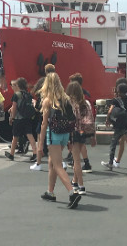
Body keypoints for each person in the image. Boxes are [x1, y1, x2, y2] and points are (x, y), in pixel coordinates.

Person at [37, 73, 82, 209]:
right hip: (65, 134)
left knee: (57, 164)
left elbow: (44, 124)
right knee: (52, 162)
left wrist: (40, 144)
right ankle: (50, 192)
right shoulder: (66, 99)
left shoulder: (48, 101)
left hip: (54, 133)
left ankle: (72, 192)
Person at [101, 83, 127, 177]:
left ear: (118, 91)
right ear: (126, 91)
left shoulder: (115, 100)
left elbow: (110, 111)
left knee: (113, 144)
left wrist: (108, 120)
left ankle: (111, 163)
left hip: (119, 127)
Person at [67, 81, 94, 195]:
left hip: (73, 132)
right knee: (76, 158)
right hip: (83, 132)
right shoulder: (85, 103)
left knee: (76, 161)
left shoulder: (69, 103)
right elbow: (91, 118)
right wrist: (93, 135)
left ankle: (81, 186)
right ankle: (74, 181)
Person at [6, 78, 39, 163]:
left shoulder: (16, 95)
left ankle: (12, 154)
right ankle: (35, 153)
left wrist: (12, 118)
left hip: (18, 118)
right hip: (27, 117)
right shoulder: (28, 95)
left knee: (15, 136)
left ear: (18, 85)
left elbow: (14, 107)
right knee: (30, 135)